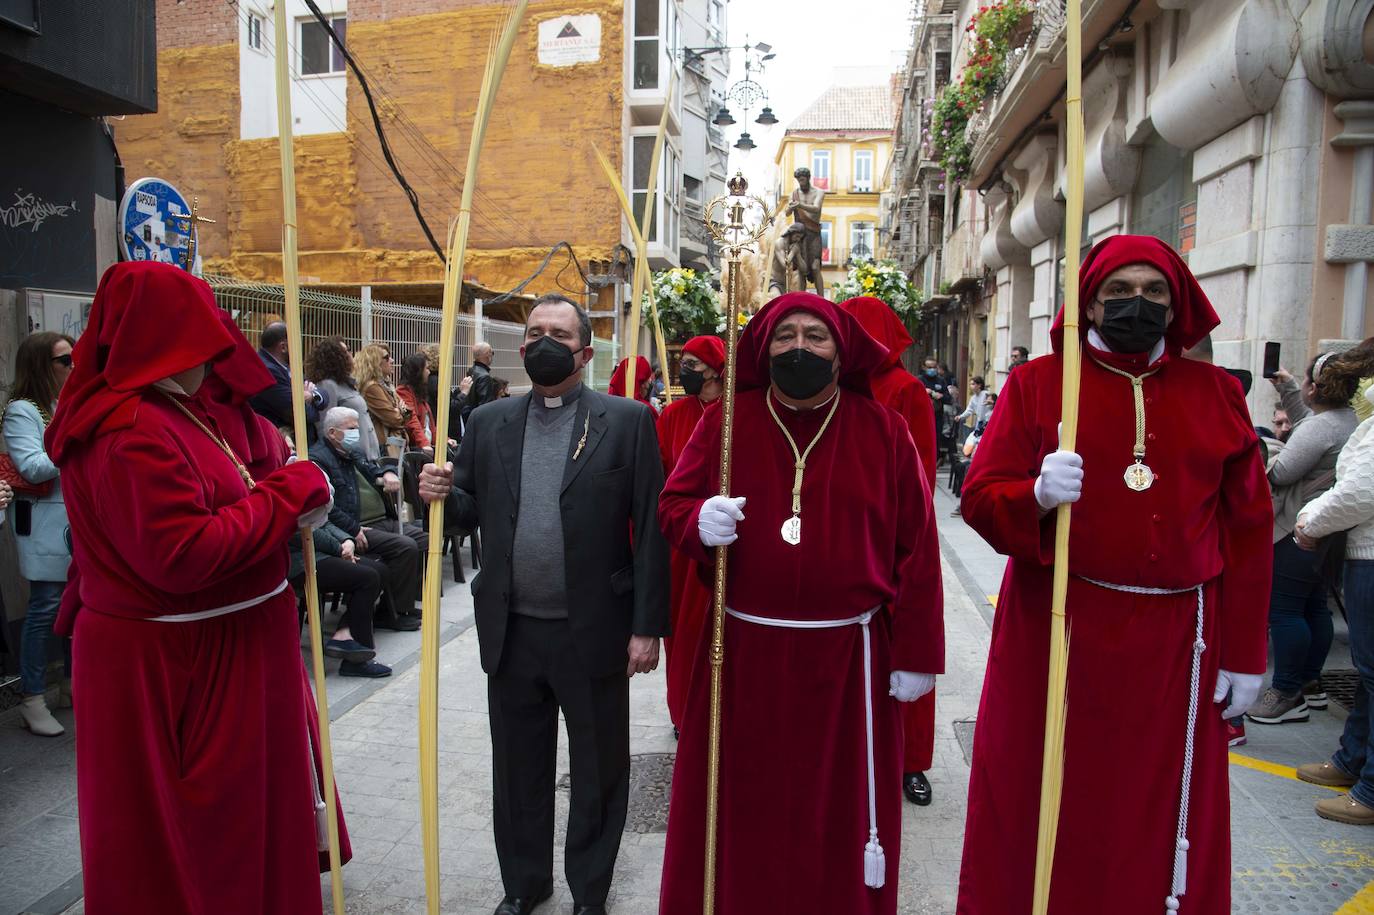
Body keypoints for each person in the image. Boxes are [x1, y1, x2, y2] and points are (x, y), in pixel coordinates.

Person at [956, 235, 1273, 915]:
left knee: (1156, 810)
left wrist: (1246, 652)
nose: (1138, 303)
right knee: (1048, 795)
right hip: (1060, 631)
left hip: (1176, 644)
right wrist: (1034, 495)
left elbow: (1248, 533)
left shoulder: (1215, 393)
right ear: (1091, 303)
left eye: (1155, 291)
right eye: (1120, 291)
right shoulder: (1039, 383)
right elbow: (981, 497)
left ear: (1177, 302)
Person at [45, 261, 347, 912]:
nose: (214, 359)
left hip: (225, 649)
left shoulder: (170, 408)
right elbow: (183, 552)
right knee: (198, 841)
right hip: (184, 665)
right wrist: (292, 491)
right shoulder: (129, 429)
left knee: (241, 829)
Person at [657, 291, 943, 914]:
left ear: (841, 354)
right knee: (745, 804)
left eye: (816, 337)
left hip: (849, 661)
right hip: (743, 656)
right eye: (785, 337)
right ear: (763, 348)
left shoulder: (884, 430)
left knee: (837, 813)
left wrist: (916, 655)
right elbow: (673, 503)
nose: (799, 349)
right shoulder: (728, 420)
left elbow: (918, 546)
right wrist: (699, 521)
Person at [443, 293, 668, 915]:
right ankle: (524, 884)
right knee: (518, 770)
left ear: (585, 351)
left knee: (598, 769)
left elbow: (651, 528)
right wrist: (435, 489)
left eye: (559, 333)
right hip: (511, 630)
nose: (544, 340)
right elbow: (465, 511)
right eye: (535, 330)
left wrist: (647, 628)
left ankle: (589, 890)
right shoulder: (489, 424)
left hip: (592, 630)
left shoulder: (626, 422)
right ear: (522, 345)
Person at [839, 295, 940, 808]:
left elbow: (920, 467)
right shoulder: (831, 386)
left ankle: (912, 762)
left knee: (909, 640)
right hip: (844, 532)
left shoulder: (906, 389)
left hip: (895, 530)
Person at [1246, 355, 1359, 725]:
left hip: (1298, 528)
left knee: (1284, 610)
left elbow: (1282, 473)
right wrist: (1289, 388)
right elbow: (1310, 423)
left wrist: (1268, 456)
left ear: (1317, 387)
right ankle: (1311, 684)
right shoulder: (1347, 420)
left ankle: (1286, 692)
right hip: (1329, 531)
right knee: (1313, 607)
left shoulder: (1320, 428)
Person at [1294, 339, 1374, 826]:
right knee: (1368, 675)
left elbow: (1360, 492)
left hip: (1370, 556)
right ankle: (1353, 762)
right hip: (1364, 552)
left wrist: (1309, 521)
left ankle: (1368, 789)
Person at [655, 335, 727, 734]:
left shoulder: (735, 413)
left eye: (693, 364)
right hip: (681, 542)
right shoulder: (672, 415)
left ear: (716, 369)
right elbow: (663, 480)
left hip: (726, 541)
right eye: (683, 362)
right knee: (681, 635)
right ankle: (683, 712)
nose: (686, 371)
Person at [4, 331, 74, 736]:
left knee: (75, 603)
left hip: (72, 519)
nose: (72, 367)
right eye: (64, 361)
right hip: (44, 522)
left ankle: (69, 683)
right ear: (42, 367)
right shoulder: (22, 411)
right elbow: (31, 466)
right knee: (45, 606)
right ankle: (32, 697)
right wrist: (75, 445)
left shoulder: (63, 404)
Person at [310, 407, 422, 631]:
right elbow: (326, 509)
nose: (357, 434)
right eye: (351, 429)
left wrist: (387, 472)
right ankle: (388, 612)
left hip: (371, 521)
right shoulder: (319, 460)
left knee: (423, 537)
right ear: (332, 433)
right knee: (404, 546)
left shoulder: (349, 451)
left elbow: (371, 467)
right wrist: (352, 530)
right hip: (350, 528)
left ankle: (399, 602)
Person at [249, 321, 327, 437]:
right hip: (283, 443)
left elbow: (324, 394)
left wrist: (312, 395)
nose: (299, 349)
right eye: (296, 343)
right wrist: (313, 409)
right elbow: (301, 414)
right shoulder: (267, 370)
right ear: (283, 347)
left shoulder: (287, 366)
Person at [309, 337, 379, 461]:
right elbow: (324, 429)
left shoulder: (348, 384)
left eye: (349, 350)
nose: (350, 355)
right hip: (350, 460)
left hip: (368, 457)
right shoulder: (328, 385)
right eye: (345, 351)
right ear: (334, 358)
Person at [356, 343, 407, 458]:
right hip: (386, 447)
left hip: (395, 443)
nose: (392, 360)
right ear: (375, 362)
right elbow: (394, 419)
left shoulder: (387, 385)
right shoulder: (372, 388)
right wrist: (400, 410)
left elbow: (409, 411)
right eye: (386, 357)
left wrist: (399, 410)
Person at [785, 166, 826, 295]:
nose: (801, 183)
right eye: (799, 181)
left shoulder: (819, 192)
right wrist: (791, 208)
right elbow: (787, 213)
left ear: (808, 178)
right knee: (802, 271)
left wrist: (800, 205)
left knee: (815, 266)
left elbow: (816, 208)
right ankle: (801, 298)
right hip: (800, 235)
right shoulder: (795, 194)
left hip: (814, 233)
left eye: (802, 180)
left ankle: (822, 298)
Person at [397, 352, 437, 453]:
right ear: (418, 372)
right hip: (417, 450)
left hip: (426, 447)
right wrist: (423, 443)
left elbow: (430, 425)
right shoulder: (404, 391)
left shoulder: (419, 393)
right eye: (426, 368)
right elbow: (411, 420)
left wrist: (445, 440)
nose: (429, 372)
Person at [462, 340, 500, 424]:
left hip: (469, 417)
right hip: (479, 421)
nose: (492, 355)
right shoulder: (484, 377)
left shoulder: (471, 371)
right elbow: (486, 405)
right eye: (492, 353)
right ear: (487, 354)